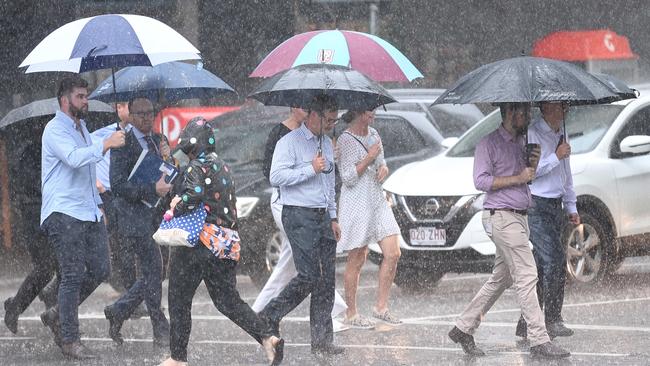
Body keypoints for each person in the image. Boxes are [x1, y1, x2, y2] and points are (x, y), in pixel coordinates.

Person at [447, 102, 570, 359]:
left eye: (527, 111)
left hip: (519, 217)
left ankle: (463, 327)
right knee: (527, 274)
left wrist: (533, 167)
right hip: (501, 217)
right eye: (521, 112)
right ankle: (538, 338)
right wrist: (519, 177)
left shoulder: (522, 142)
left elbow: (529, 178)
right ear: (508, 113)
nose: (526, 116)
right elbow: (481, 181)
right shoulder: (488, 143)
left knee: (501, 278)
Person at [158, 117, 283, 366]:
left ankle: (178, 357)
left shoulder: (196, 167)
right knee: (228, 301)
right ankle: (267, 336)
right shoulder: (223, 166)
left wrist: (177, 204)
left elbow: (192, 195)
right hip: (223, 245)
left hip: (197, 244)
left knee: (179, 298)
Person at [40, 75, 125, 359]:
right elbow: (76, 158)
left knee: (101, 269)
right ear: (65, 100)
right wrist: (106, 144)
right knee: (73, 275)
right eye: (80, 96)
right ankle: (70, 339)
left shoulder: (83, 128)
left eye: (86, 95)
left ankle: (56, 315)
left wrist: (97, 205)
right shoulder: (54, 130)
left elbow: (89, 167)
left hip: (88, 209)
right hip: (64, 211)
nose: (85, 101)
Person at [258, 95, 344, 357]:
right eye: (328, 120)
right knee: (308, 276)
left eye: (335, 120)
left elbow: (329, 183)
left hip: (321, 216)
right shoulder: (289, 141)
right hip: (298, 214)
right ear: (313, 115)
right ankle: (270, 314)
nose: (331, 124)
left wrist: (333, 216)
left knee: (326, 280)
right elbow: (276, 177)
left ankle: (322, 341)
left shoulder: (326, 143)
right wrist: (309, 168)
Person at [104, 97, 170, 347]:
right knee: (154, 269)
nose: (146, 118)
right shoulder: (122, 142)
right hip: (133, 218)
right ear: (129, 115)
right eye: (140, 114)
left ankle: (118, 310)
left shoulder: (156, 140)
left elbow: (164, 175)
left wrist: (168, 159)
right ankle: (160, 328)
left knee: (154, 272)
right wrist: (150, 189)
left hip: (155, 215)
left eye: (150, 113)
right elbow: (118, 185)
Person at [515, 101, 579, 339]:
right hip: (536, 204)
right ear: (545, 107)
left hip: (556, 204)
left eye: (566, 105)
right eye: (560, 105)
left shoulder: (562, 132)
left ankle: (525, 322)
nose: (565, 109)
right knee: (554, 260)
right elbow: (531, 171)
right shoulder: (533, 132)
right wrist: (555, 155)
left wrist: (571, 204)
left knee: (543, 266)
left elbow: (566, 170)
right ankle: (553, 319)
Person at [336, 109, 402, 329]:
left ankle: (381, 307)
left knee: (393, 253)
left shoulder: (373, 133)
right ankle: (351, 313)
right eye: (368, 110)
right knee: (357, 257)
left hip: (377, 198)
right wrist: (369, 157)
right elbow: (347, 177)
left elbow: (382, 162)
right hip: (356, 202)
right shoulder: (345, 139)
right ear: (357, 111)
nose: (373, 113)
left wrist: (383, 167)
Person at [91, 102, 138, 293]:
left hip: (133, 194)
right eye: (125, 105)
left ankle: (133, 294)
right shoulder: (104, 134)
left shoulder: (141, 135)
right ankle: (129, 294)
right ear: (118, 109)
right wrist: (98, 186)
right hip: (111, 195)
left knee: (134, 246)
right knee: (122, 246)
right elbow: (88, 157)